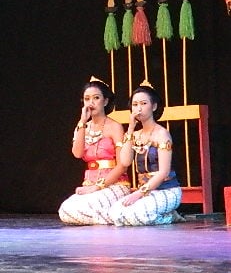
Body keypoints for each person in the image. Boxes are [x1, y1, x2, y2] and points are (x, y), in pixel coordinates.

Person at [58, 77, 130, 225]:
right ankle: (114, 218)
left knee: (83, 210)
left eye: (96, 98)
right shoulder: (82, 126)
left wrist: (98, 186)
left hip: (115, 185)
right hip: (89, 185)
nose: (91, 103)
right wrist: (82, 122)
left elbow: (122, 165)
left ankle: (118, 216)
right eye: (87, 99)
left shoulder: (115, 127)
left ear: (105, 101)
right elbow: (77, 153)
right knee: (65, 210)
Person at [108, 84, 183, 226]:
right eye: (135, 105)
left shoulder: (162, 134)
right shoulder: (135, 135)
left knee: (139, 215)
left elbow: (164, 172)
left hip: (167, 190)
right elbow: (125, 162)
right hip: (146, 192)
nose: (139, 109)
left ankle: (170, 217)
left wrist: (138, 194)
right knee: (115, 214)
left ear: (154, 106)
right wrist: (130, 129)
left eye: (143, 104)